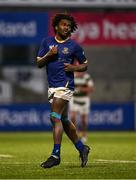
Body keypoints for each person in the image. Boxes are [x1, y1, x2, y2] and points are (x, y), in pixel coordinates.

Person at [36, 13, 90, 168]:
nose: (66, 27)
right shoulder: (46, 42)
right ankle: (82, 147)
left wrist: (74, 67)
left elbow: (85, 64)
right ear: (56, 27)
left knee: (54, 117)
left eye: (68, 25)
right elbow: (39, 63)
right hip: (52, 86)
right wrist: (49, 54)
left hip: (65, 85)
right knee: (64, 120)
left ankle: (55, 155)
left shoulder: (74, 46)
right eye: (63, 24)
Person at [69, 71, 95, 143]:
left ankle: (84, 135)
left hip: (84, 100)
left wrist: (81, 89)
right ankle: (75, 135)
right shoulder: (72, 76)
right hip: (74, 99)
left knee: (83, 120)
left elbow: (91, 89)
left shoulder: (86, 77)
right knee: (72, 117)